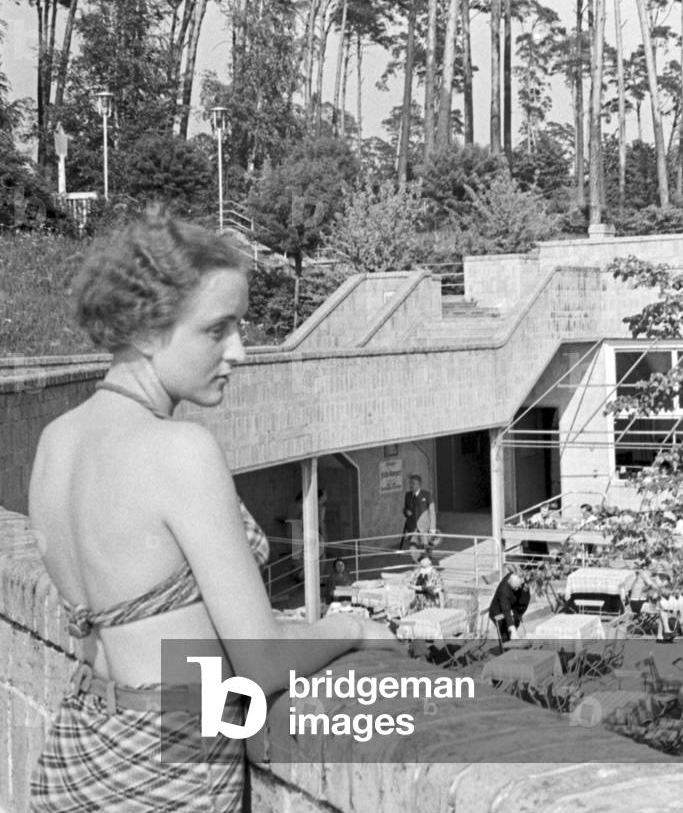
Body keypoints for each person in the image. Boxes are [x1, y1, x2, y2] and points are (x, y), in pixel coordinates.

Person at [28, 212, 398, 813]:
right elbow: (262, 662)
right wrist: (352, 630)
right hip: (166, 767)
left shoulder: (56, 442)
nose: (240, 352)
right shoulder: (179, 450)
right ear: (146, 330)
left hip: (81, 750)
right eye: (216, 331)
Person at [488, 569, 530, 646]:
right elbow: (506, 611)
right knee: (505, 634)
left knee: (514, 630)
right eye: (515, 588)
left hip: (512, 608)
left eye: (518, 587)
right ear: (510, 585)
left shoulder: (516, 577)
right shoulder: (504, 592)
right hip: (498, 612)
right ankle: (506, 651)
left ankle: (513, 646)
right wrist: (512, 629)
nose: (517, 589)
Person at [400, 474, 436, 549]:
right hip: (412, 528)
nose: (410, 485)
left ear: (419, 484)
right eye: (410, 483)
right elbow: (405, 508)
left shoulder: (427, 495)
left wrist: (432, 528)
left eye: (413, 483)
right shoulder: (408, 495)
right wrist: (406, 511)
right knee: (415, 549)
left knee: (425, 549)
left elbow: (432, 512)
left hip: (424, 528)